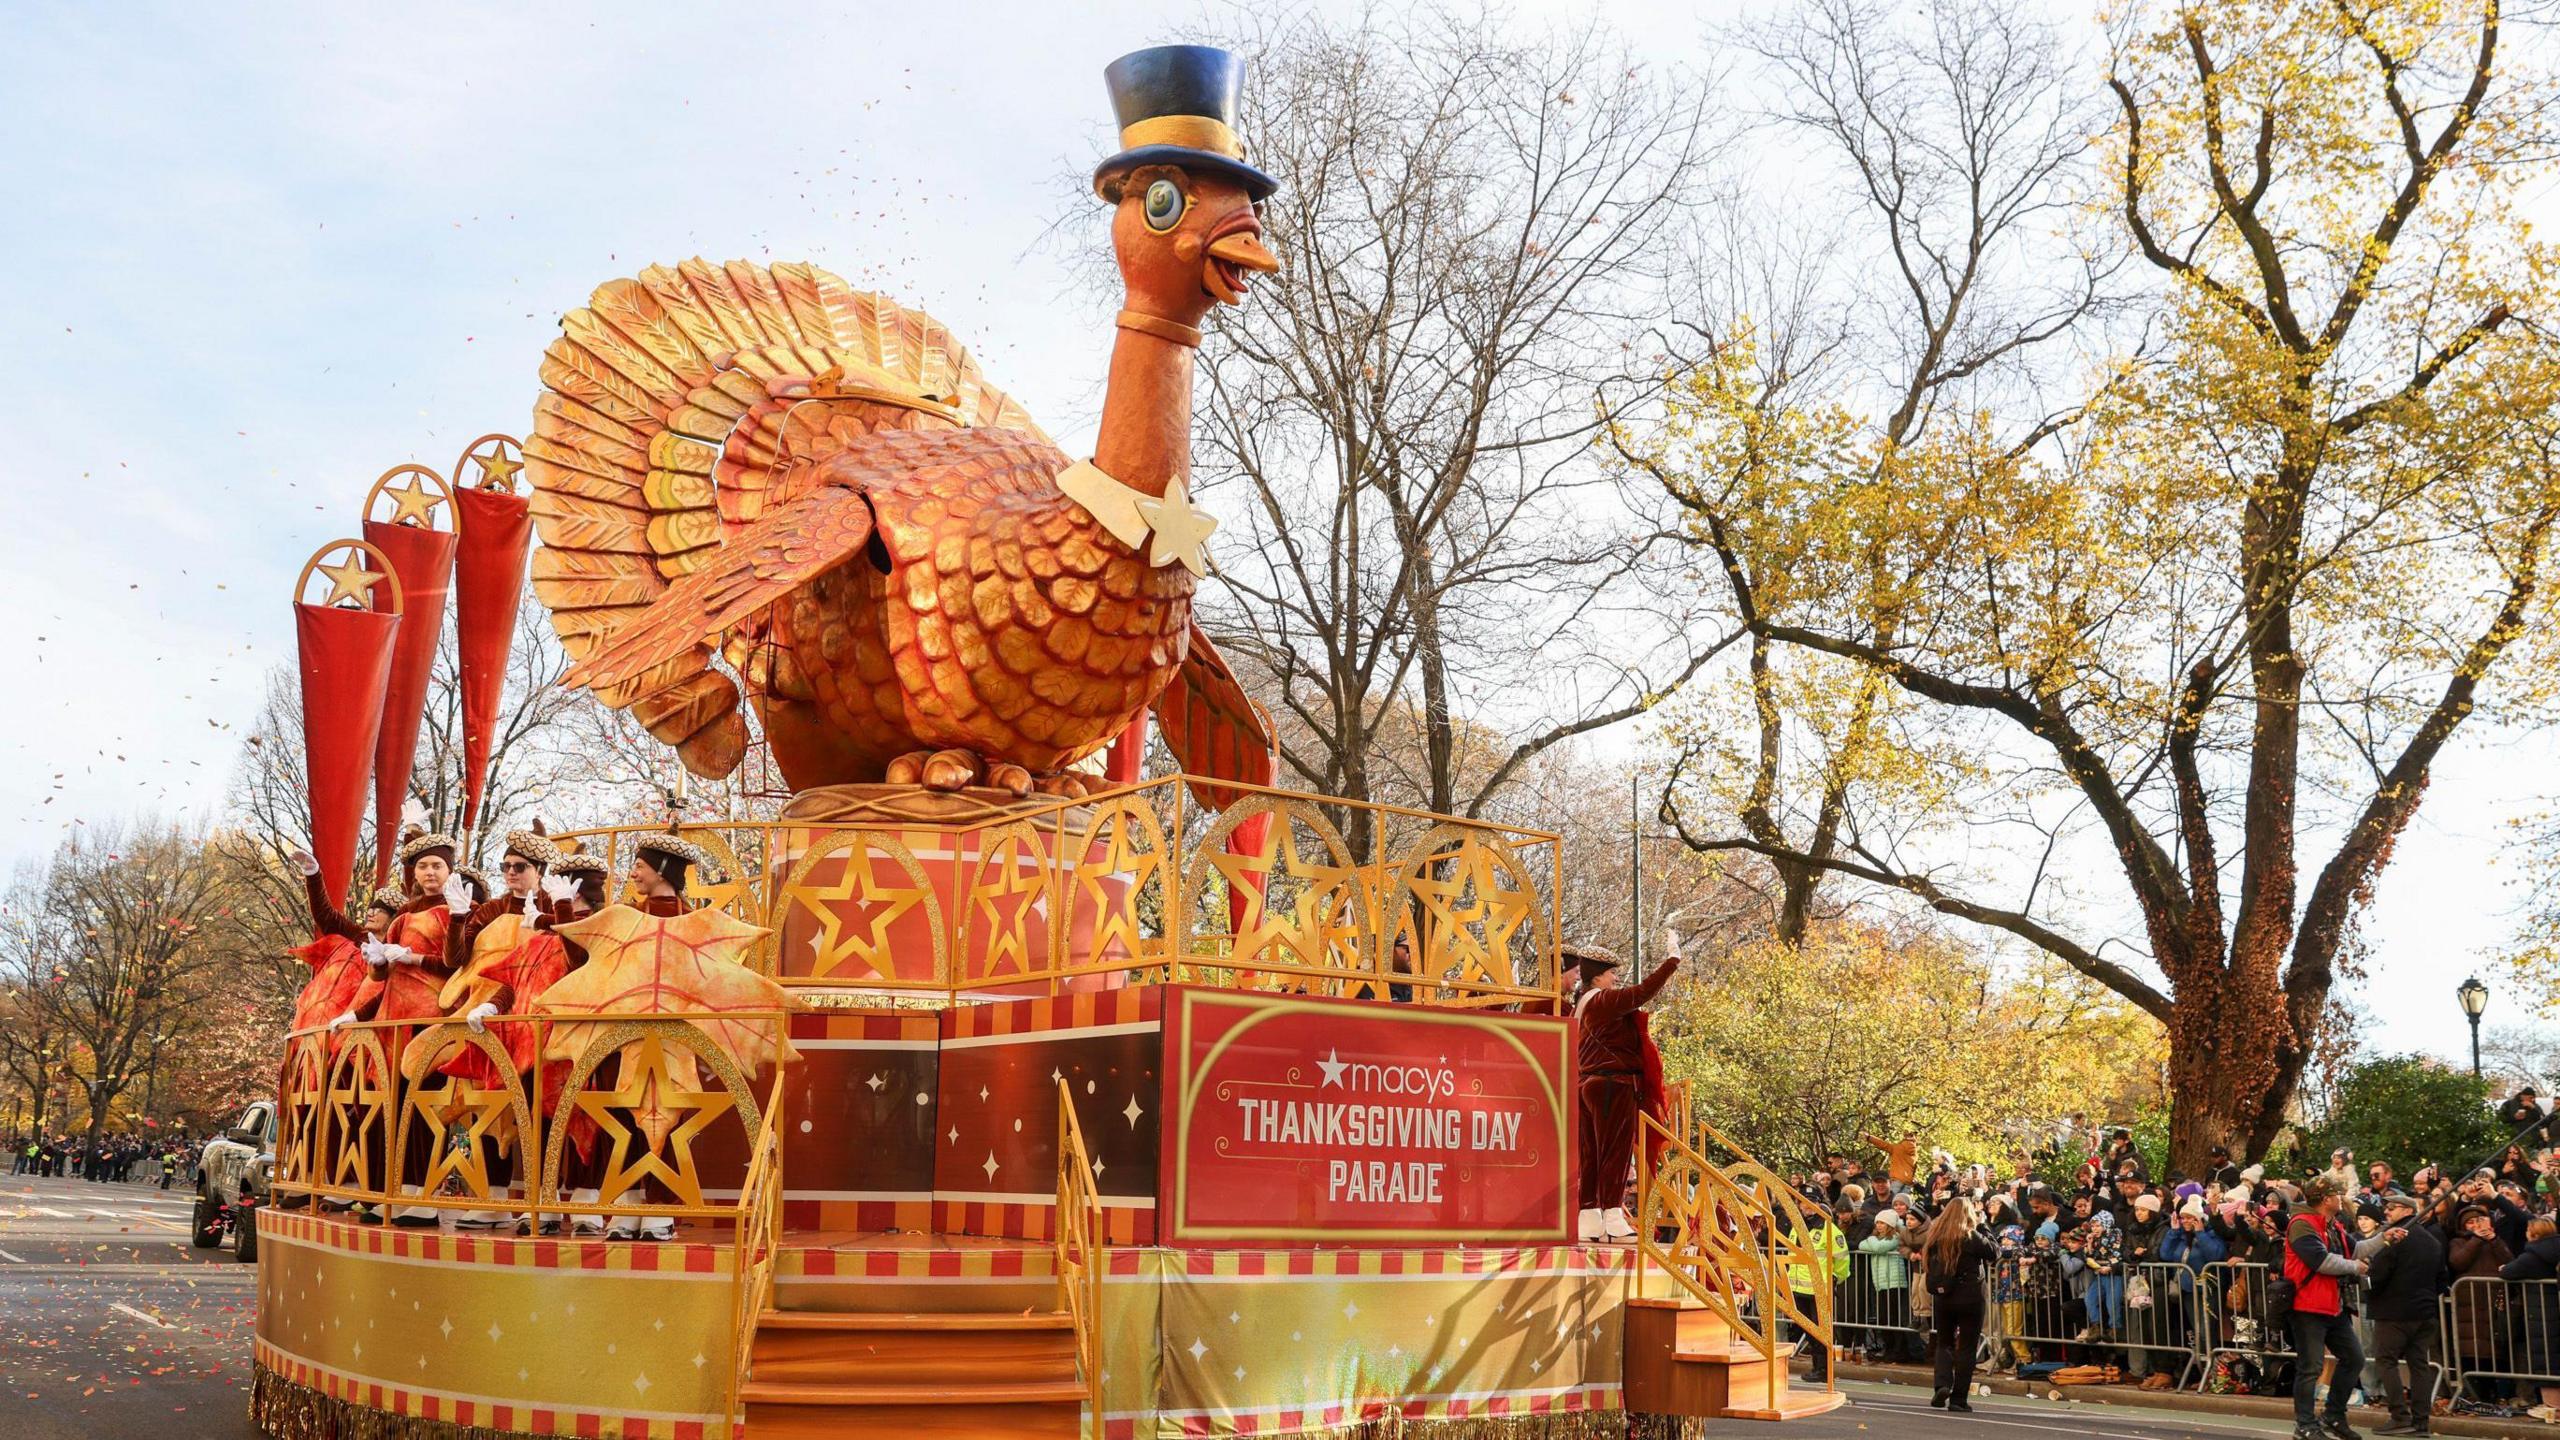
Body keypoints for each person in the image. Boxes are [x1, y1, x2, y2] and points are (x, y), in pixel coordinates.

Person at [539, 830, 796, 1241]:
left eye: (639, 866)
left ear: (661, 870)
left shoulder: (699, 924)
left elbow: (717, 984)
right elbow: (583, 965)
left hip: (676, 1043)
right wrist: (563, 913)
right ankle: (625, 1211)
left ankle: (660, 1213)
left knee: (668, 1122)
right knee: (621, 1118)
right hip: (620, 1040)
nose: (634, 874)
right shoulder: (622, 920)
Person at [435, 825, 560, 1230]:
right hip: (486, 1019)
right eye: (505, 866)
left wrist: (553, 917)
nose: (510, 873)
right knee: (485, 1107)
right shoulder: (490, 911)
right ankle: (491, 1198)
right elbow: (455, 959)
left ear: (539, 869)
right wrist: (457, 917)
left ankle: (545, 1199)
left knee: (540, 1106)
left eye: (519, 866)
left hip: (540, 1020)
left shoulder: (557, 905)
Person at [1566, 939, 1681, 1242]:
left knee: (1591, 1154)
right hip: (1612, 1084)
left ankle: (1589, 1219)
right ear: (1599, 976)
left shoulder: (1579, 1006)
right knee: (1615, 1152)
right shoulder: (1603, 1001)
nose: (1615, 979)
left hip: (1586, 1084)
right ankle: (1614, 1219)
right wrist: (1672, 961)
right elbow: (1642, 992)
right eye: (1611, 974)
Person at [2285, 1175, 2367, 1440]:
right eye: (2338, 1194)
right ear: (2326, 1198)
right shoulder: (2301, 1225)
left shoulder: (2333, 1225)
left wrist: (2386, 1238)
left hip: (2333, 1306)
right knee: (2310, 1368)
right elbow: (2320, 1262)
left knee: (2354, 1358)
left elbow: (2356, 1250)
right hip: (2308, 1306)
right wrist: (2355, 1267)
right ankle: (2305, 1425)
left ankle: (2333, 1415)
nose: (2342, 1198)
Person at [2364, 1192, 2445, 1436]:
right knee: (2419, 1365)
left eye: (2392, 1207)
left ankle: (2400, 1416)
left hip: (2394, 1313)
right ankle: (2421, 1422)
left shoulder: (2395, 1239)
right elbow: (2442, 1279)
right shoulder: (2432, 1241)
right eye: (2386, 1207)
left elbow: (2377, 1276)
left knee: (2386, 1361)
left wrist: (2365, 1284)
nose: (2386, 1211)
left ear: (2408, 1211)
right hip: (2424, 1312)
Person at [1921, 1195, 1993, 1411]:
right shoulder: (1971, 1236)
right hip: (1970, 1296)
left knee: (1944, 1343)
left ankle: (1941, 1384)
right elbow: (1993, 1252)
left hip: (1944, 1297)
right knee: (1968, 1347)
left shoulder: (1935, 1236)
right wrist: (1984, 1225)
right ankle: (1959, 1399)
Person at [2445, 1203, 2513, 1404]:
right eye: (2471, 1222)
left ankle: (2500, 1395)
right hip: (2469, 1304)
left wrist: (2493, 1240)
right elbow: (2458, 1261)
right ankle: (2476, 1395)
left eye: (2479, 1221)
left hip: (2494, 1301)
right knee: (2472, 1351)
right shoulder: (2458, 1241)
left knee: (2496, 1351)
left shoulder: (2496, 1241)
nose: (2476, 1224)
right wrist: (2476, 1238)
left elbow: (2510, 1261)